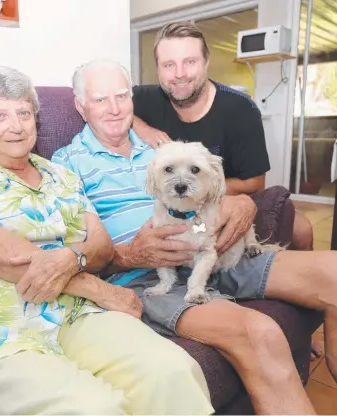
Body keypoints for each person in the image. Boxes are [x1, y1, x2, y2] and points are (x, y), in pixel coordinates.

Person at [51, 58, 337, 415]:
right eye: (99, 99)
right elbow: (72, 252)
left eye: (122, 96)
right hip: (148, 277)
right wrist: (128, 255)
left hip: (212, 246)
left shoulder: (158, 147)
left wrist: (242, 202)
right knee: (258, 333)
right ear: (80, 105)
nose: (113, 108)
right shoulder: (65, 165)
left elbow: (211, 183)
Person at [0, 65, 213, 415]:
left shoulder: (60, 175)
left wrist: (70, 259)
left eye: (24, 113)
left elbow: (102, 247)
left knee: (173, 372)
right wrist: (98, 288)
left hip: (73, 314)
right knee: (93, 408)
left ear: (36, 120)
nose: (15, 125)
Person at [131, 19, 320, 357]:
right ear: (158, 69)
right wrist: (143, 128)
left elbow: (254, 184)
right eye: (168, 64)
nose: (179, 73)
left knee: (302, 227)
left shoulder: (239, 109)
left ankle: (308, 320)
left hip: (226, 197)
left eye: (189, 61)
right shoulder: (144, 99)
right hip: (184, 215)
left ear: (205, 62)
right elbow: (111, 109)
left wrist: (208, 192)